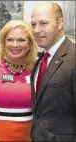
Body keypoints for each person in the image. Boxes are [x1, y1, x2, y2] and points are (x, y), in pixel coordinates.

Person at [30, 1, 76, 141]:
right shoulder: (41, 60)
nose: (37, 30)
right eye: (33, 24)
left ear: (60, 23)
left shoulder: (73, 57)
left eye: (43, 23)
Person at [0, 19, 37, 141]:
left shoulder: (37, 66)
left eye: (21, 40)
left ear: (30, 44)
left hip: (30, 136)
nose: (15, 45)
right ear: (3, 42)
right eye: (10, 40)